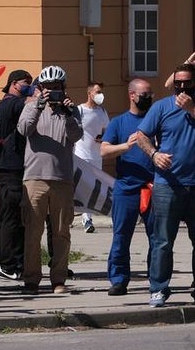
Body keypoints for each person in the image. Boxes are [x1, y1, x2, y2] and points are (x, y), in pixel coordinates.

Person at [134, 63, 195, 307]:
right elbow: (141, 136)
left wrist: (193, 110)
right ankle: (158, 289)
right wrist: (154, 155)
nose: (182, 87)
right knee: (162, 241)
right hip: (167, 185)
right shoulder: (161, 107)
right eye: (178, 83)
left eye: (187, 83)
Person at [17, 65, 82, 294]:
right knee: (33, 232)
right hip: (34, 178)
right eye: (47, 87)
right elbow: (24, 129)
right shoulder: (30, 106)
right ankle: (31, 279)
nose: (52, 91)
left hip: (62, 179)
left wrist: (67, 115)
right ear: (40, 88)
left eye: (56, 87)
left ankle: (59, 279)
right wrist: (39, 105)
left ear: (63, 88)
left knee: (62, 232)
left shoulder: (72, 111)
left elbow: (76, 136)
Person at [100, 78, 155, 296]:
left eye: (150, 95)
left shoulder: (156, 120)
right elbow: (104, 151)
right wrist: (127, 145)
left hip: (152, 186)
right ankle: (119, 279)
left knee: (158, 237)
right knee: (121, 236)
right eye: (144, 95)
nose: (148, 98)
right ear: (132, 95)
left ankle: (157, 277)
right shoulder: (119, 123)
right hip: (126, 187)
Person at [0, 69, 34, 282]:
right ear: (14, 84)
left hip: (12, 167)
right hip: (9, 168)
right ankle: (7, 265)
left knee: (12, 218)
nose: (29, 87)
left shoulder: (8, 103)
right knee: (10, 219)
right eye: (26, 83)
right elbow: (26, 108)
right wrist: (37, 99)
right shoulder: (10, 103)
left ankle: (12, 262)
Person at [74, 81, 110, 233]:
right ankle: (86, 218)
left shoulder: (102, 112)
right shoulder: (80, 110)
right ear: (89, 93)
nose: (100, 95)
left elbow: (107, 130)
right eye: (97, 92)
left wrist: (103, 137)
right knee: (81, 187)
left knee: (95, 188)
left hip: (96, 156)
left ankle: (89, 215)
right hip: (81, 154)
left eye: (101, 92)